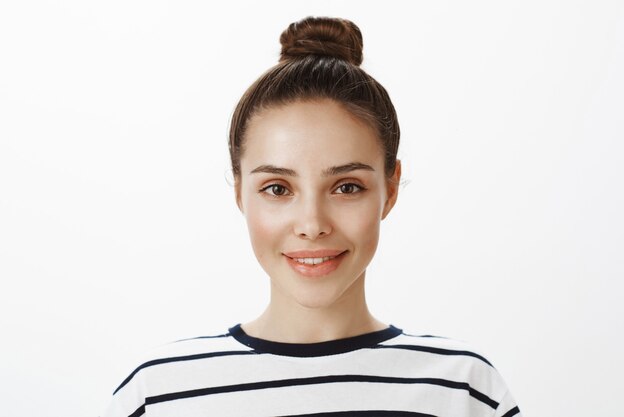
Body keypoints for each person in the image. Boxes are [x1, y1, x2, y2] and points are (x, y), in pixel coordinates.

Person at [102, 16, 522, 417]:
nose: (311, 223)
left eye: (346, 187)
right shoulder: (159, 395)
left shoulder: (463, 391)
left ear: (390, 188)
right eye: (278, 189)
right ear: (239, 191)